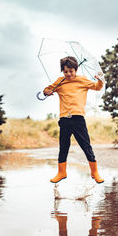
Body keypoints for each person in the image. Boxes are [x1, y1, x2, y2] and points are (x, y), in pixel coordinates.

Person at [43, 56, 104, 184]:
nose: (69, 74)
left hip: (78, 119)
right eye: (66, 72)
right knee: (63, 146)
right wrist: (47, 92)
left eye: (71, 71)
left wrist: (100, 81)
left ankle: (94, 172)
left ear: (76, 70)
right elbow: (47, 89)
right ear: (62, 71)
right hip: (64, 119)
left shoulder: (82, 80)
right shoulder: (60, 81)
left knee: (86, 146)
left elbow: (97, 87)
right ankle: (61, 172)